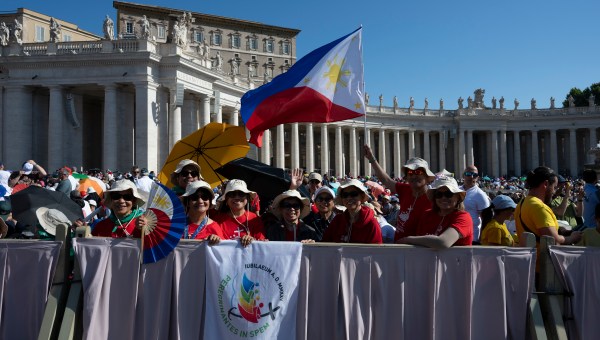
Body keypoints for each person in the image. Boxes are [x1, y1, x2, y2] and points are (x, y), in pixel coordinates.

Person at [364, 144, 434, 240]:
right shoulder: (405, 189)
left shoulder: (434, 198)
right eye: (410, 172)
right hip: (399, 245)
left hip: (418, 249)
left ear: (427, 176)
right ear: (407, 177)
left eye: (418, 172)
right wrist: (372, 159)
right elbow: (386, 180)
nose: (414, 176)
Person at [515, 167, 581, 248]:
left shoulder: (522, 203)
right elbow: (554, 240)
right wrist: (572, 238)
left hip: (530, 257)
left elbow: (538, 228)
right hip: (542, 258)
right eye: (554, 187)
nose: (554, 191)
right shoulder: (539, 207)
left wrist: (560, 230)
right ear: (545, 184)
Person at [399, 176, 472, 248]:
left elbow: (443, 242)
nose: (444, 198)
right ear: (435, 198)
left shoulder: (463, 217)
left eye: (448, 194)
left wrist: (408, 239)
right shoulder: (427, 215)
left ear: (458, 197)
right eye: (439, 194)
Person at [322, 179, 382, 244]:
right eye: (345, 195)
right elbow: (325, 243)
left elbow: (377, 251)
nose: (349, 198)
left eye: (353, 194)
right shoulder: (337, 220)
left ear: (362, 197)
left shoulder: (372, 224)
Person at [210, 179, 266, 246]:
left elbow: (261, 243)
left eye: (241, 194)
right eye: (232, 194)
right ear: (226, 199)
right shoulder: (218, 220)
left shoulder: (255, 219)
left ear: (247, 198)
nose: (237, 197)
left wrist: (252, 240)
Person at [461, 165, 490, 243]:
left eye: (475, 175)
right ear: (463, 175)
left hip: (473, 237)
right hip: (456, 235)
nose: (471, 177)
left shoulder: (481, 195)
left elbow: (486, 219)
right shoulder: (457, 190)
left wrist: (481, 239)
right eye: (468, 174)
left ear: (477, 178)